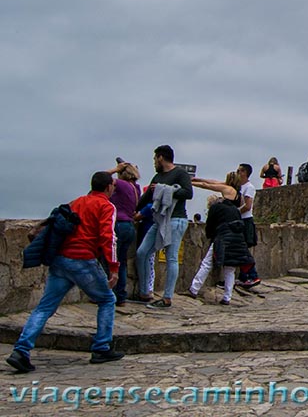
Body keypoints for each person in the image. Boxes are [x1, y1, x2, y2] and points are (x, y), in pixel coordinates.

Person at [8, 169, 124, 373]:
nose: (114, 188)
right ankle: (101, 347)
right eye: (113, 185)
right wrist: (113, 269)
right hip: (83, 260)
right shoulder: (106, 206)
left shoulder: (78, 201)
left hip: (61, 259)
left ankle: (21, 350)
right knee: (107, 299)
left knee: (44, 307)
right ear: (108, 187)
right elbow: (108, 237)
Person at [135, 145, 194, 310]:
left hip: (176, 219)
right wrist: (133, 210)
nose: (154, 162)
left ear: (161, 157)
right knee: (142, 253)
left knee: (171, 257)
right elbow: (146, 197)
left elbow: (188, 193)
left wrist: (164, 189)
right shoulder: (158, 176)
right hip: (160, 220)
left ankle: (167, 298)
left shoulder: (180, 174)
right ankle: (145, 292)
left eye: (155, 159)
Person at [108, 160, 141, 306]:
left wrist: (115, 169)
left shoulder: (120, 184)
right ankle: (121, 296)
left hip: (119, 225)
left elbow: (100, 178)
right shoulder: (136, 188)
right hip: (129, 226)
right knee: (122, 262)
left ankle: (108, 294)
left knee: (111, 261)